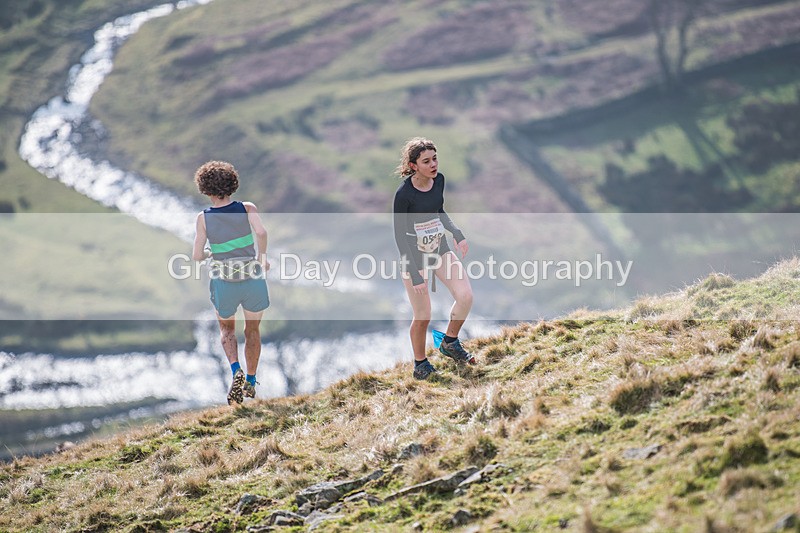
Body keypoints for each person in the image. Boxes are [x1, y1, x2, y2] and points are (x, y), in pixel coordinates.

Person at [392, 137, 475, 380]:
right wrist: (416, 274)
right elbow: (399, 236)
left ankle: (449, 342)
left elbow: (438, 211)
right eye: (426, 161)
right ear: (413, 165)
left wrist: (457, 234)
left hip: (439, 250)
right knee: (423, 316)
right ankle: (420, 365)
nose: (433, 165)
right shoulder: (404, 194)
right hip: (414, 258)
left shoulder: (438, 181)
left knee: (465, 296)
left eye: (435, 159)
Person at [192, 160, 270, 404]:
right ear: (232, 184)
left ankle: (235, 369)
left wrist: (209, 253)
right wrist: (262, 258)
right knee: (252, 330)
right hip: (252, 278)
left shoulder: (203, 218)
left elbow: (196, 256)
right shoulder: (247, 208)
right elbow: (262, 233)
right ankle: (250, 379)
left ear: (205, 189)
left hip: (224, 281)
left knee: (227, 329)